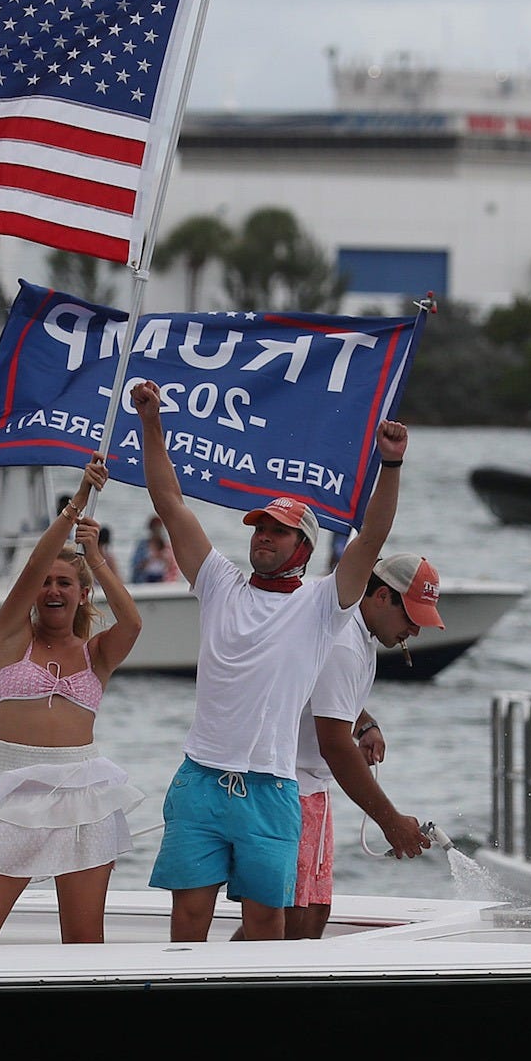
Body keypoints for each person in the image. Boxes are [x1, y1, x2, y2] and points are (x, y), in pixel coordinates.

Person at [133, 377, 412, 942]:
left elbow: (372, 540)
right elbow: (169, 501)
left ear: (304, 549)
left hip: (272, 787)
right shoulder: (219, 583)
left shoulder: (322, 604)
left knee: (268, 926)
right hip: (201, 777)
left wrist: (391, 465)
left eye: (280, 532)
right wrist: (151, 421)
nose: (264, 536)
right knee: (187, 920)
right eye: (260, 526)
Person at [0, 458, 145, 945]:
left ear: (82, 595)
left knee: (83, 940)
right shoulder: (12, 636)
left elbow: (133, 622)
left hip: (85, 793)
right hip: (15, 789)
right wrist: (76, 501)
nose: (53, 589)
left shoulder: (97, 653)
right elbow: (34, 565)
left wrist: (94, 555)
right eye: (47, 583)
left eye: (66, 583)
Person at [288, 554, 442, 938]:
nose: (415, 632)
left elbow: (325, 695)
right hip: (289, 787)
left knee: (314, 914)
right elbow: (335, 747)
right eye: (411, 619)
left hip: (311, 789)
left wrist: (364, 720)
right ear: (381, 597)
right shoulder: (345, 642)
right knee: (287, 920)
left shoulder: (360, 632)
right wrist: (390, 823)